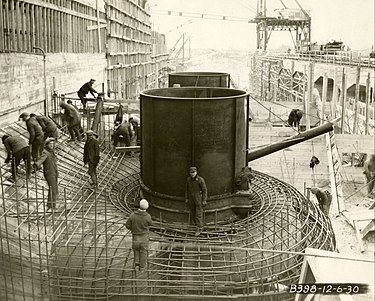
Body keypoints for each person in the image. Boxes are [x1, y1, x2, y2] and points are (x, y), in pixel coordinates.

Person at [125, 199, 153, 271]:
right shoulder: (148, 216)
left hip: (135, 238)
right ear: (146, 208)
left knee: (136, 251)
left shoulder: (132, 215)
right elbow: (151, 224)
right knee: (143, 252)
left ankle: (136, 265)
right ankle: (142, 267)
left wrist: (133, 229)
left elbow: (127, 225)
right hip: (144, 238)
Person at [34, 138, 58, 211]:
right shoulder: (45, 152)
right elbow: (41, 160)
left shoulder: (51, 152)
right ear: (47, 145)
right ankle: (52, 207)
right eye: (50, 144)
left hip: (54, 172)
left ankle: (50, 204)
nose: (51, 145)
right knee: (53, 190)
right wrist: (36, 165)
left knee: (53, 189)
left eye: (52, 144)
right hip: (49, 174)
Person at [185, 166, 208, 236]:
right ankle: (197, 225)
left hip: (198, 199)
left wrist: (204, 200)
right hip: (191, 199)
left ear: (196, 172)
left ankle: (199, 228)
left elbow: (204, 190)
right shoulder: (188, 179)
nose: (192, 174)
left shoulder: (200, 180)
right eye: (191, 173)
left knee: (198, 214)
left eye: (193, 172)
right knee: (193, 212)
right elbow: (186, 189)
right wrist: (186, 198)